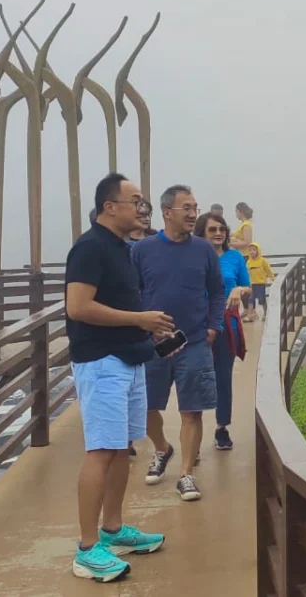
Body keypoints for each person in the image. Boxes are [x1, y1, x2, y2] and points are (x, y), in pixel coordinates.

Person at [65, 173, 169, 582]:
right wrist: (138, 318)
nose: (141, 208)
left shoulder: (122, 249)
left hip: (129, 358)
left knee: (122, 446)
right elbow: (77, 307)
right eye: (135, 201)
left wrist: (147, 328)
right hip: (101, 361)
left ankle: (113, 530)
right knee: (102, 450)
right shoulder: (90, 248)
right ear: (110, 207)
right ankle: (88, 549)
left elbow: (117, 304)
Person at [132, 185, 224, 502]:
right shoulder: (142, 251)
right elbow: (132, 293)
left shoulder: (203, 250)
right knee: (146, 406)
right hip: (153, 344)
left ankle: (186, 474)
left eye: (195, 207)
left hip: (195, 342)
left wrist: (214, 327)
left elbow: (217, 291)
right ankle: (162, 449)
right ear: (167, 212)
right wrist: (143, 326)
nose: (193, 213)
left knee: (192, 411)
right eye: (187, 207)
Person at [194, 212, 251, 451]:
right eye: (212, 229)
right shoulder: (192, 257)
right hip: (196, 323)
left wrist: (239, 289)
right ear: (202, 233)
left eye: (222, 229)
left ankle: (221, 427)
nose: (218, 233)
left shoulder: (235, 257)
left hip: (226, 324)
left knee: (223, 377)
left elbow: (248, 286)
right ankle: (192, 437)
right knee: (193, 376)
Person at [246, 242, 275, 321]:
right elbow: (247, 273)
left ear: (258, 251)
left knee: (262, 300)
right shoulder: (249, 262)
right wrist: (247, 282)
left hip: (261, 283)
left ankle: (266, 313)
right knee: (251, 299)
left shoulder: (263, 261)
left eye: (254, 250)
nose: (252, 252)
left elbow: (268, 270)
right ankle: (250, 315)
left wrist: (273, 279)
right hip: (252, 284)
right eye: (250, 250)